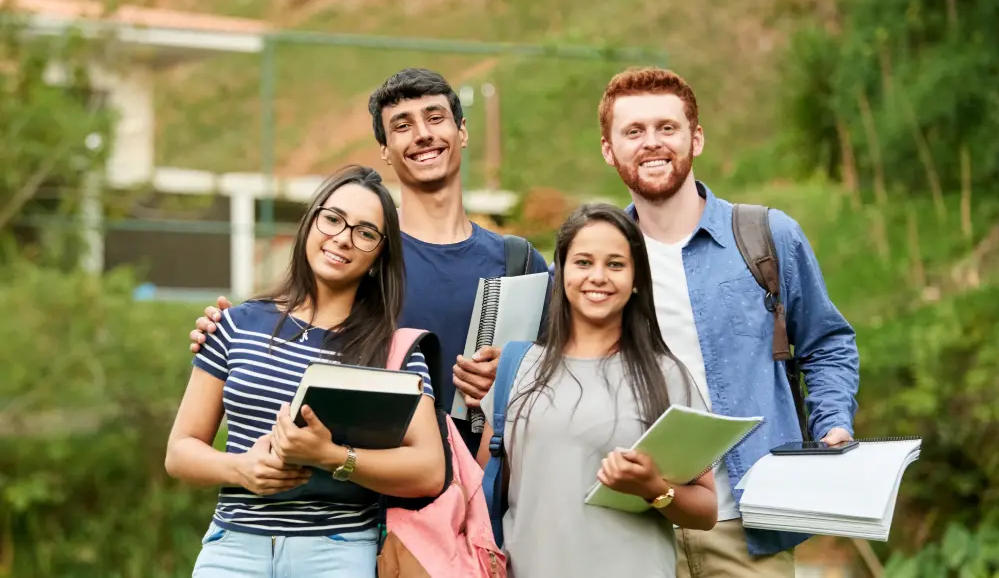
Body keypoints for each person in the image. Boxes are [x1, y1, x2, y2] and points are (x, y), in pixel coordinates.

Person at [188, 68, 549, 457]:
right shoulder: (361, 253)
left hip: (488, 496)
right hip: (373, 497)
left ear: (461, 131)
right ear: (385, 150)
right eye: (402, 125)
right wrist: (228, 330)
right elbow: (293, 330)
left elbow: (565, 373)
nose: (423, 134)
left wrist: (514, 374)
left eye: (435, 118)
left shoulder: (519, 261)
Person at [596, 66, 860, 577]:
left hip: (748, 524)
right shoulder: (593, 258)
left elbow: (826, 345)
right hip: (632, 527)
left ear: (696, 137)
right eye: (633, 131)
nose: (652, 143)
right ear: (609, 149)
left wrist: (832, 423)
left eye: (667, 128)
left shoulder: (766, 237)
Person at [165, 165, 445, 578]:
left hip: (338, 551)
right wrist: (241, 469)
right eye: (333, 218)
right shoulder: (237, 323)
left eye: (365, 233)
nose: (343, 238)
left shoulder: (393, 351)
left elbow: (429, 471)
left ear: (379, 257)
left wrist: (331, 457)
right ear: (310, 222)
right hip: (233, 548)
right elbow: (180, 451)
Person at [475, 203, 717, 578]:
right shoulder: (516, 367)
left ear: (636, 278)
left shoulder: (666, 375)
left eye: (616, 264)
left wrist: (655, 488)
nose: (598, 277)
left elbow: (706, 510)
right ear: (562, 271)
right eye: (583, 262)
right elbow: (481, 496)